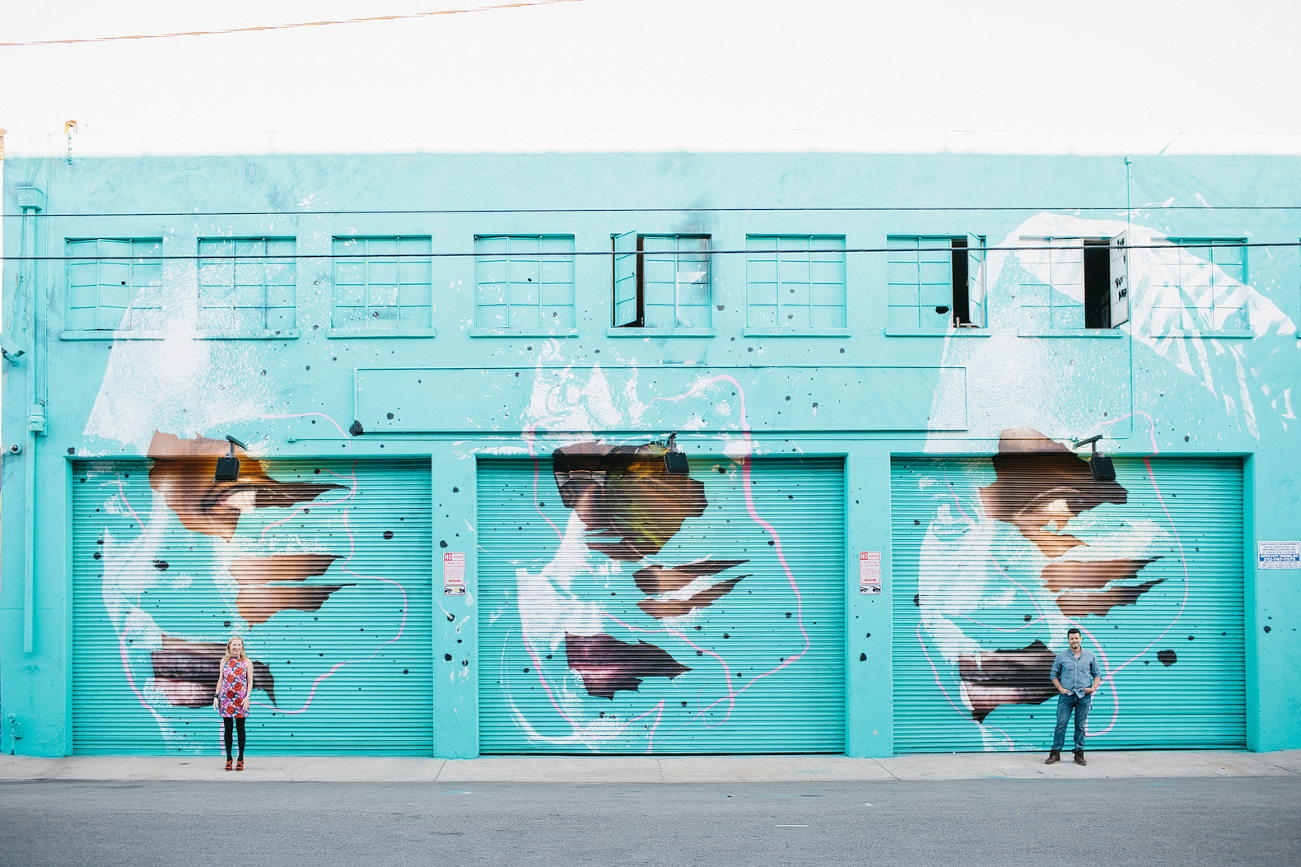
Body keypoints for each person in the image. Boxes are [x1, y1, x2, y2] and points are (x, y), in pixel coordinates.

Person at [1047, 627, 1100, 765]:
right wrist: (1060, 688)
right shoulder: (1061, 656)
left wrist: (1093, 688)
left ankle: (1079, 753)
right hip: (1066, 697)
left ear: (1081, 639)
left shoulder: (1090, 655)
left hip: (1084, 696)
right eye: (1071, 638)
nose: (1074, 641)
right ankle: (1055, 753)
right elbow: (1053, 675)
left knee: (1080, 726)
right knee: (1060, 725)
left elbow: (1097, 674)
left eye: (1076, 638)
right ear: (1068, 640)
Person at [214, 635, 253, 770]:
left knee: (240, 728)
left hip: (241, 699)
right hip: (226, 699)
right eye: (234, 645)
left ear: (242, 647)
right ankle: (229, 758)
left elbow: (249, 682)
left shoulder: (247, 662)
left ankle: (241, 758)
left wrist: (247, 697)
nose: (236, 647)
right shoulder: (224, 661)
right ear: (229, 647)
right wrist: (216, 696)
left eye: (239, 645)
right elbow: (220, 680)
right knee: (228, 729)